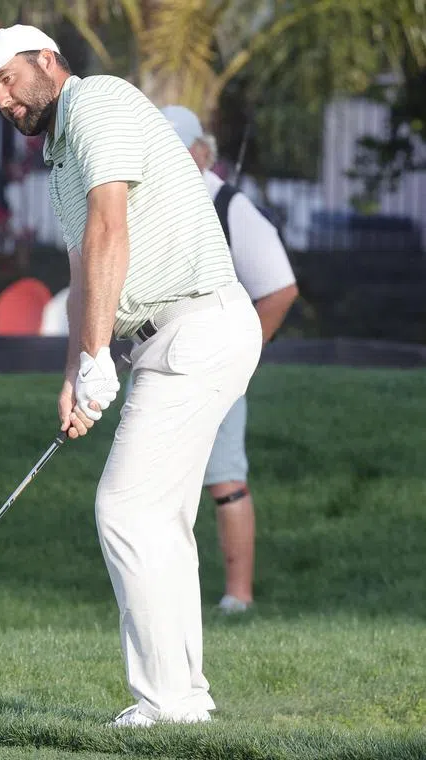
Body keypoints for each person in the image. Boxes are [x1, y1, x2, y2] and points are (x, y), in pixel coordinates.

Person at [0, 25, 263, 727]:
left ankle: (166, 703)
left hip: (199, 325)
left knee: (124, 510)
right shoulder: (60, 155)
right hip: (172, 339)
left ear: (47, 60)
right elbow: (82, 269)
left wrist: (99, 355)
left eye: (8, 79)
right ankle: (185, 698)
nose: (3, 99)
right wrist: (76, 369)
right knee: (159, 521)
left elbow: (109, 231)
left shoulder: (97, 102)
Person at [161, 105, 300, 614]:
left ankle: (238, 597)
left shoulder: (230, 207)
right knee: (156, 487)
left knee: (224, 480)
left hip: (217, 366)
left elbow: (281, 289)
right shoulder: (150, 203)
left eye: (179, 151)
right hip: (159, 359)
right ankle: (164, 596)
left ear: (203, 152)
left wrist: (242, 353)